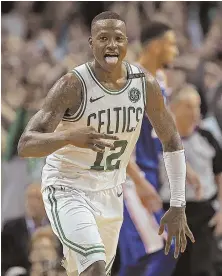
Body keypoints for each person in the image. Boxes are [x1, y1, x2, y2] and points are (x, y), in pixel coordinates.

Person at [18, 11, 194, 276]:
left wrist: (178, 204)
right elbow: (26, 144)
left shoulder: (144, 84)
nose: (111, 44)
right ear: (91, 43)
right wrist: (68, 137)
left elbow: (171, 140)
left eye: (118, 38)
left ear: (126, 43)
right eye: (103, 38)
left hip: (111, 192)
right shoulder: (72, 85)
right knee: (96, 268)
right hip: (68, 188)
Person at [118, 22, 179, 276]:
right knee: (162, 248)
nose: (175, 51)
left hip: (151, 175)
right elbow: (117, 140)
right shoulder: (131, 83)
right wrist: (139, 182)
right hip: (131, 178)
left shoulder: (161, 80)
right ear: (155, 47)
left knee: (145, 257)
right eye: (171, 44)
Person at [159, 85, 222, 276]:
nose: (194, 112)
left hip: (205, 213)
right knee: (177, 269)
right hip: (172, 212)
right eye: (188, 106)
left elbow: (219, 175)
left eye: (197, 106)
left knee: (204, 269)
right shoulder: (160, 140)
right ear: (173, 107)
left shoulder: (207, 137)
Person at [2, 183, 48, 275]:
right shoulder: (11, 228)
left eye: (37, 198)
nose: (33, 203)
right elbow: (4, 262)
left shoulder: (56, 229)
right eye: (29, 198)